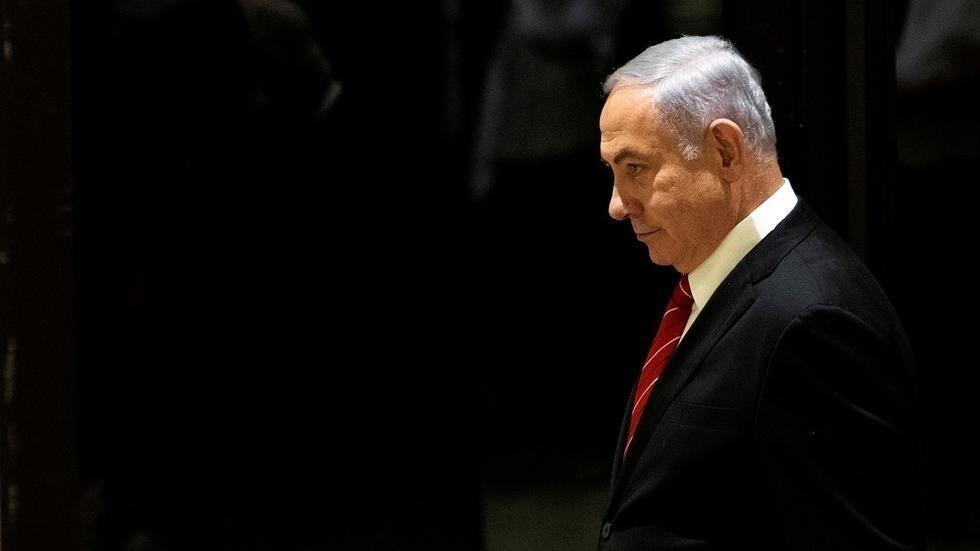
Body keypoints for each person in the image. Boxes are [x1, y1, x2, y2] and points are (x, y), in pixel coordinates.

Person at [596, 36, 924, 550]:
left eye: (635, 167)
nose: (617, 205)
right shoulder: (710, 280)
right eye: (612, 171)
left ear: (725, 151)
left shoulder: (813, 319)